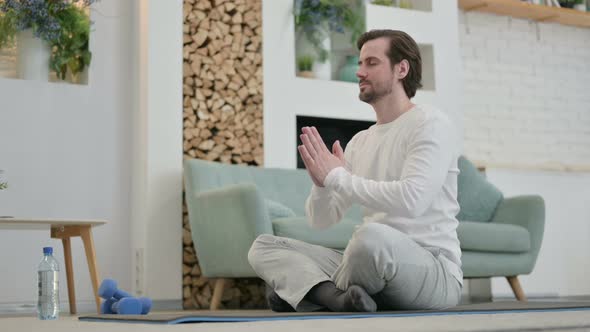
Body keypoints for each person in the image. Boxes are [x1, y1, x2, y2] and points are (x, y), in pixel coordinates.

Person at [248, 29, 462, 312]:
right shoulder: (361, 142)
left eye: (371, 63)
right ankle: (336, 298)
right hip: (367, 262)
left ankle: (311, 293)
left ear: (401, 68)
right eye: (359, 63)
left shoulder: (430, 123)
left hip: (432, 271)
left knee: (370, 238)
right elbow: (321, 221)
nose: (360, 72)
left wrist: (337, 177)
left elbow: (413, 199)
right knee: (263, 247)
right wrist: (322, 186)